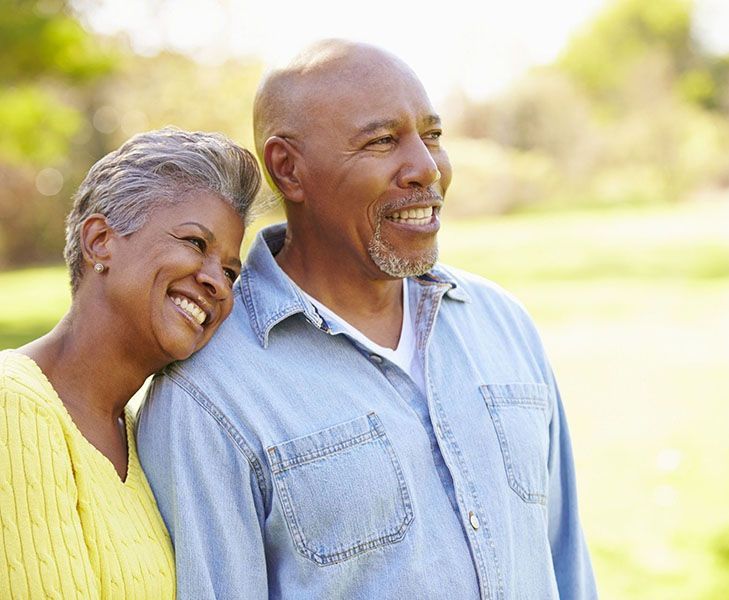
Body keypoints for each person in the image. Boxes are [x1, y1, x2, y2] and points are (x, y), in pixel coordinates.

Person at [138, 40, 597, 599]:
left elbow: (566, 567)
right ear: (289, 169)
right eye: (382, 141)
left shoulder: (503, 324)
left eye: (432, 136)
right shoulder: (207, 394)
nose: (426, 169)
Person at [0, 127, 261, 599]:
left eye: (229, 271)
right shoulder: (13, 405)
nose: (218, 285)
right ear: (100, 241)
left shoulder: (146, 433)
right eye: (195, 243)